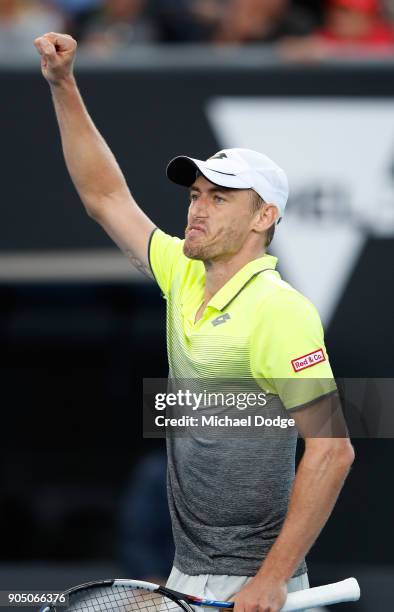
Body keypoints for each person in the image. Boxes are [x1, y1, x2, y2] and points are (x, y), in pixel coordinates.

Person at [33, 32, 355, 612]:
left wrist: (272, 579)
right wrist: (63, 84)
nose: (198, 207)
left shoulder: (278, 310)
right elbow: (105, 196)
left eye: (220, 198)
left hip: (256, 585)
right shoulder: (182, 272)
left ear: (265, 216)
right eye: (196, 194)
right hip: (190, 576)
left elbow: (333, 450)